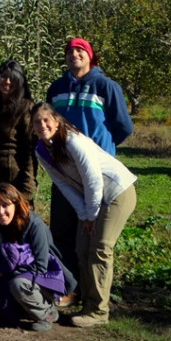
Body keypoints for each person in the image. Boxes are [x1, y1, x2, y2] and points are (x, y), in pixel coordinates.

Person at [32, 102, 136, 328]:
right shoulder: (41, 150)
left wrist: (91, 215)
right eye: (37, 122)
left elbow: (93, 180)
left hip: (117, 192)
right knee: (82, 247)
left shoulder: (73, 141)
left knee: (100, 248)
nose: (42, 125)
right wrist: (84, 214)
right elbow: (63, 184)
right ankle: (88, 304)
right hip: (92, 199)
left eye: (46, 120)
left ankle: (99, 311)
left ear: (56, 121)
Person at [45, 38, 134, 286]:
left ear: (90, 56)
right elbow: (47, 124)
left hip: (96, 174)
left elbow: (124, 127)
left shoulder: (106, 86)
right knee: (62, 231)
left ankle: (90, 290)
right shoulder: (57, 88)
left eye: (80, 50)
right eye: (70, 51)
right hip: (66, 170)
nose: (74, 54)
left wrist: (100, 149)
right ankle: (67, 287)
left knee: (92, 233)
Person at [0, 183, 76, 332]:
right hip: (14, 273)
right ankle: (20, 310)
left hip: (47, 277)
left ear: (16, 204)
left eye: (5, 205)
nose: (1, 212)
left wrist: (1, 272)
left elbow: (41, 266)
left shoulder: (34, 225)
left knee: (18, 284)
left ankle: (47, 313)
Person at [0, 60, 37, 202]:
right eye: (3, 77)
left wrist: (28, 187)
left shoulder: (26, 108)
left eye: (12, 78)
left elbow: (29, 150)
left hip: (15, 179)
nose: (7, 82)